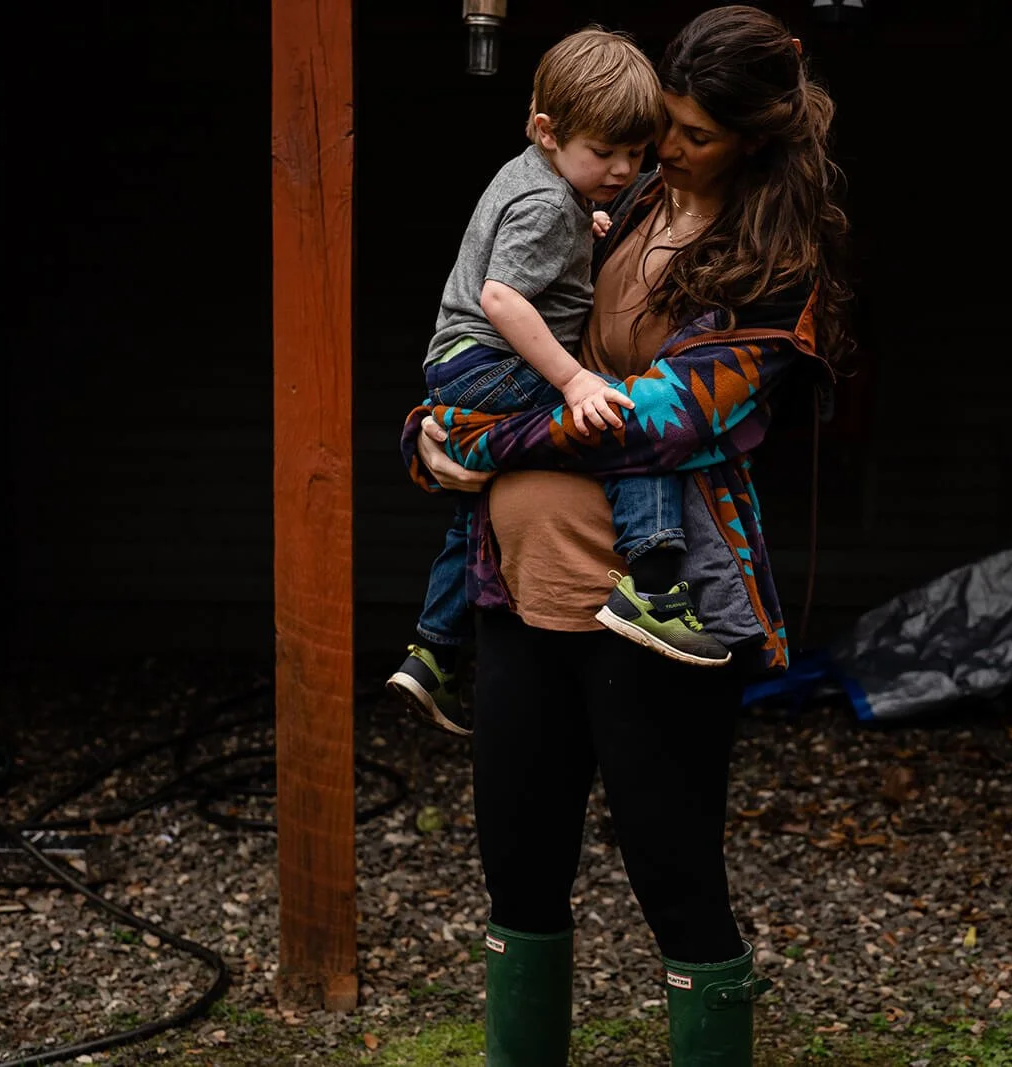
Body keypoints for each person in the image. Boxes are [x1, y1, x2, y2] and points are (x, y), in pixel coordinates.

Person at [399, 6, 851, 1064]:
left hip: (662, 607)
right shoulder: (615, 192)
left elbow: (668, 421)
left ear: (753, 136)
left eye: (688, 133)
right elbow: (491, 328)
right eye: (657, 130)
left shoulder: (775, 269)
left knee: (672, 868)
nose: (664, 148)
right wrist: (427, 433)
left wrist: (472, 431)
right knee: (516, 860)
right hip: (519, 585)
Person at [387, 27, 733, 739]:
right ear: (546, 130)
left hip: (455, 366)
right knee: (622, 421)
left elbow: (538, 238)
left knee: (468, 511)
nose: (623, 168)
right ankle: (656, 582)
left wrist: (586, 223)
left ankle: (433, 647)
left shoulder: (541, 185)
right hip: (486, 359)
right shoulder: (550, 206)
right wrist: (576, 380)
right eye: (604, 153)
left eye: (635, 153)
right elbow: (503, 297)